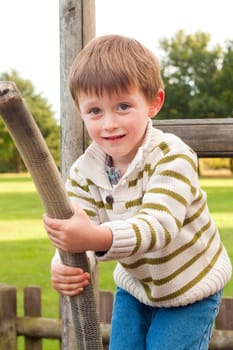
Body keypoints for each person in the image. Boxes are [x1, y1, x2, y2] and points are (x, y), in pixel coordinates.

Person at [43, 34, 232, 350]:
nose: (109, 123)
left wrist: (95, 238)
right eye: (95, 111)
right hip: (137, 287)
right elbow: (80, 230)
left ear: (154, 103)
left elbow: (158, 226)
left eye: (123, 106)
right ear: (80, 110)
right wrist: (64, 264)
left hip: (190, 287)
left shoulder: (172, 156)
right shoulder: (83, 173)